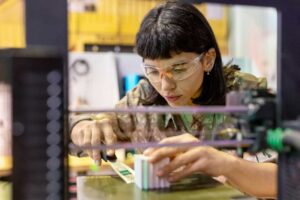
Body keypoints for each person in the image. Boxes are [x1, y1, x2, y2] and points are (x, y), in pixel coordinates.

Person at [70, 0, 276, 198]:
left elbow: (289, 179)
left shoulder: (248, 96)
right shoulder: (144, 99)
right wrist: (80, 127)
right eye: (152, 70)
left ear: (208, 59)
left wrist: (224, 164)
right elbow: (74, 128)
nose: (165, 86)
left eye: (178, 69)